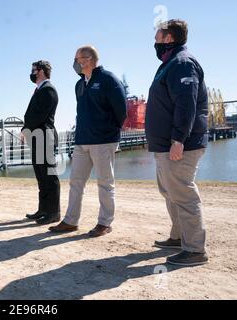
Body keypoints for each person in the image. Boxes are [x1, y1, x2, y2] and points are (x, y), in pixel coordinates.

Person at [146, 19, 209, 266]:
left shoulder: (182, 63)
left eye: (158, 36)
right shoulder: (169, 64)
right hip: (165, 143)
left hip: (181, 143)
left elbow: (186, 103)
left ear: (169, 38)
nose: (155, 41)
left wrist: (178, 139)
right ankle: (179, 236)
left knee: (183, 194)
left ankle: (195, 250)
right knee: (170, 192)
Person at [49, 45, 127, 237]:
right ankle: (70, 221)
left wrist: (108, 132)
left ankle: (104, 222)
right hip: (82, 140)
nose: (75, 63)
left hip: (103, 140)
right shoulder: (80, 84)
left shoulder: (108, 79)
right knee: (75, 182)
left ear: (88, 59)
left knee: (105, 183)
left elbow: (121, 111)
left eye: (77, 59)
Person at [22, 60, 61, 225]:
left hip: (45, 137)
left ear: (42, 71)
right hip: (37, 137)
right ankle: (43, 209)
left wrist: (26, 128)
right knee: (41, 176)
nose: (32, 73)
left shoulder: (48, 90)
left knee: (49, 176)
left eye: (34, 70)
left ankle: (54, 212)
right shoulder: (39, 90)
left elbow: (40, 115)